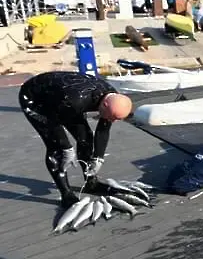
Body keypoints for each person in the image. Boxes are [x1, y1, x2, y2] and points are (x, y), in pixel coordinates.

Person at [18, 72, 133, 209]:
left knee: (85, 139)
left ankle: (91, 182)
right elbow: (53, 123)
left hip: (64, 97)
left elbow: (103, 130)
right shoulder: (75, 101)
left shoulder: (113, 98)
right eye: (111, 117)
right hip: (35, 98)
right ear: (105, 105)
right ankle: (66, 194)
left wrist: (98, 158)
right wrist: (67, 148)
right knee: (57, 149)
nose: (112, 121)